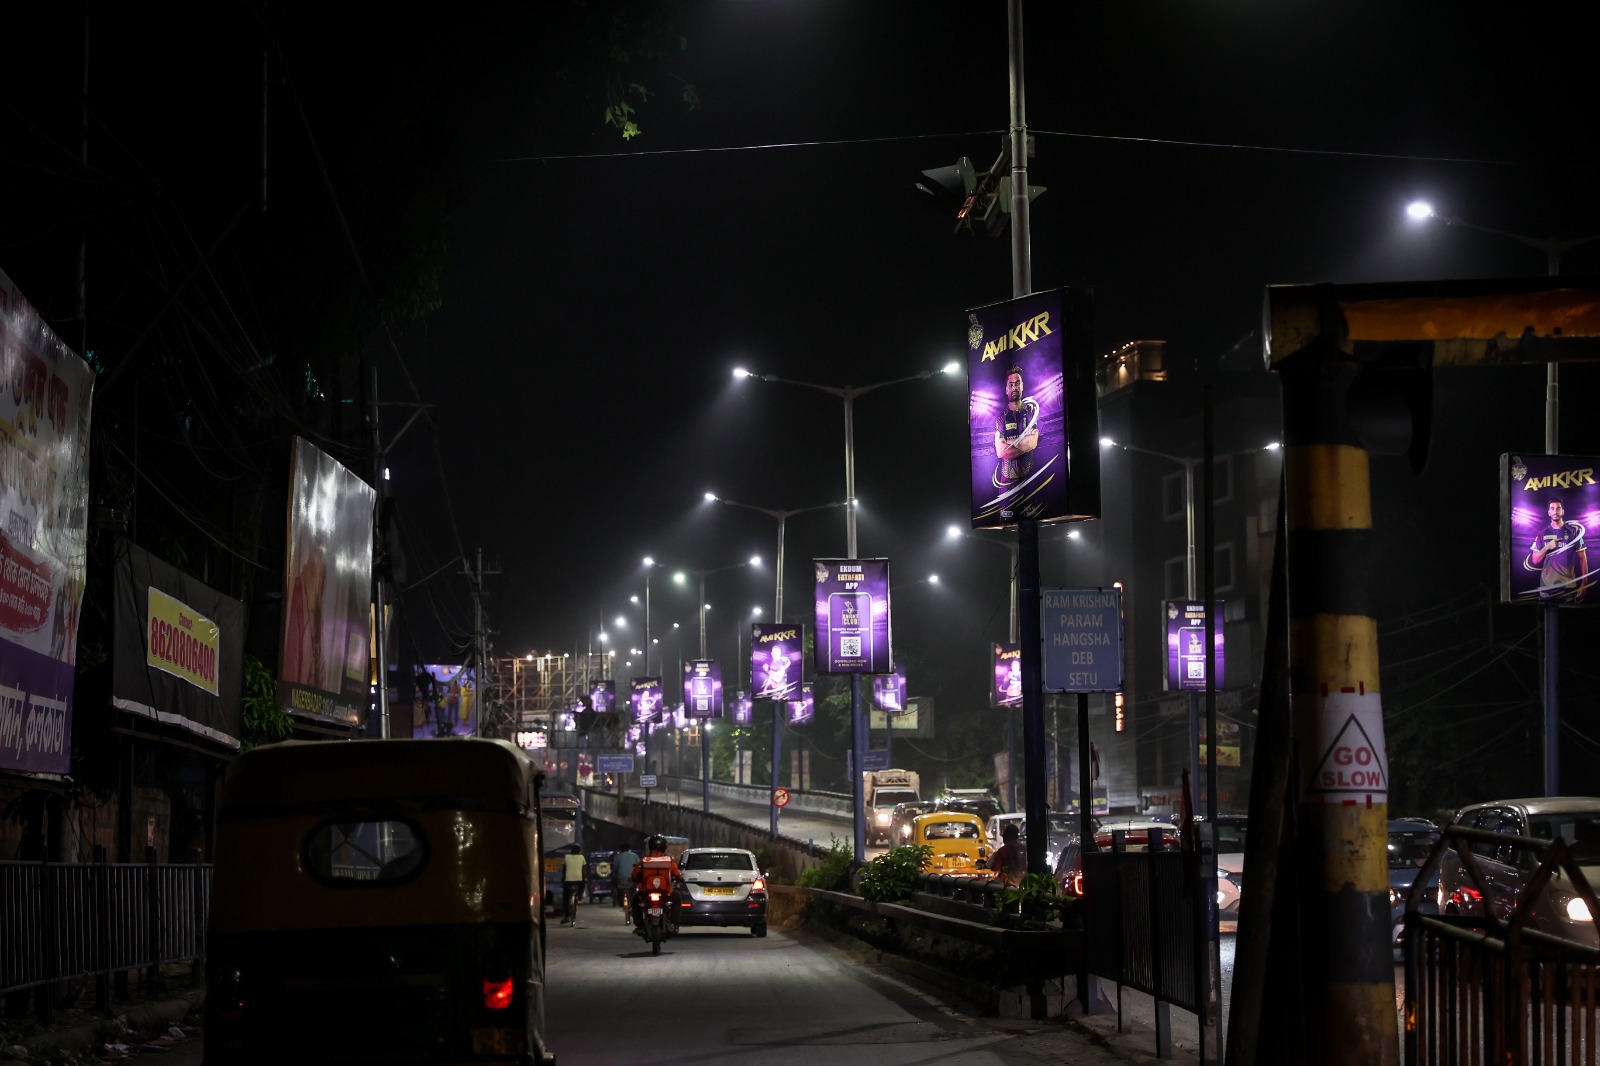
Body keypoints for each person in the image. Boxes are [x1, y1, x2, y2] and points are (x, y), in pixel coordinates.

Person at [1528, 494, 1590, 602]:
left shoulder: (1574, 532)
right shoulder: (1542, 533)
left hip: (1568, 587)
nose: (1555, 511)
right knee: (1547, 618)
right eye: (1552, 508)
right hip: (1546, 587)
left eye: (1558, 508)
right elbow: (1535, 560)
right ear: (1549, 512)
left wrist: (1584, 582)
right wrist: (1547, 546)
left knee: (1568, 618)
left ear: (1563, 511)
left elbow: (1582, 558)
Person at [992, 365, 1040, 488]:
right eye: (1011, 384)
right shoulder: (1001, 418)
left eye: (1017, 383)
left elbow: (1033, 442)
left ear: (1022, 386)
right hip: (1007, 483)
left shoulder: (1030, 413)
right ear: (1006, 389)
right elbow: (1001, 452)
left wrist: (1010, 443)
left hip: (1029, 479)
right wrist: (1024, 442)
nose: (1014, 387)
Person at [631, 834, 684, 936]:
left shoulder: (644, 860)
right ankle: (674, 924)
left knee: (634, 901)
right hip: (665, 892)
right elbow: (677, 874)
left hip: (646, 892)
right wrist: (680, 879)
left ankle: (640, 926)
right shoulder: (668, 860)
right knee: (677, 898)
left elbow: (634, 875)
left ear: (650, 846)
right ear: (664, 847)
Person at [612, 842, 640, 917]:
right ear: (629, 849)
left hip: (621, 879)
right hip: (632, 878)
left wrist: (614, 877)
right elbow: (639, 867)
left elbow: (614, 869)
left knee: (620, 889)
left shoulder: (617, 857)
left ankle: (621, 902)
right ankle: (633, 905)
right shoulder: (634, 856)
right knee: (633, 892)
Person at [560, 845, 586, 925]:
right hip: (579, 881)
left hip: (568, 881)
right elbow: (584, 870)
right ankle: (580, 897)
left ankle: (566, 916)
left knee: (565, 898)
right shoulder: (582, 857)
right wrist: (584, 878)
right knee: (583, 883)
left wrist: (563, 879)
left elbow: (564, 870)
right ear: (579, 851)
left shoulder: (566, 857)